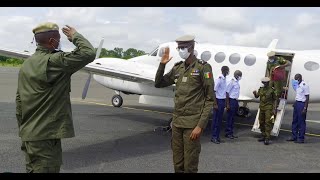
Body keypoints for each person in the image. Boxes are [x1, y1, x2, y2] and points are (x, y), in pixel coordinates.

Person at [15, 22, 96, 173]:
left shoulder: (26, 64)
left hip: (30, 134)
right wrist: (75, 36)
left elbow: (19, 103)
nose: (60, 42)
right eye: (59, 38)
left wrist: (24, 131)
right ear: (52, 41)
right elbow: (88, 53)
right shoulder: (54, 61)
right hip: (45, 137)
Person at [154, 35, 216, 173]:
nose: (180, 50)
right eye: (179, 48)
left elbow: (210, 98)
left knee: (190, 166)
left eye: (183, 47)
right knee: (178, 164)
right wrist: (162, 64)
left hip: (192, 125)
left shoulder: (203, 68)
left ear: (191, 47)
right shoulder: (178, 68)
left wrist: (200, 126)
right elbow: (158, 83)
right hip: (177, 123)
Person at [253, 77, 278, 145]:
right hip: (262, 107)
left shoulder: (272, 90)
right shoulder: (261, 89)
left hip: (268, 108)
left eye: (266, 82)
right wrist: (255, 93)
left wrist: (274, 109)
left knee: (268, 122)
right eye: (264, 82)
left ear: (268, 83)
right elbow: (257, 96)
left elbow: (275, 99)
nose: (265, 84)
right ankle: (263, 135)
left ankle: (267, 138)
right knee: (261, 121)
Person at [287, 74, 310, 143]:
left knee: (301, 122)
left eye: (296, 78)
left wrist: (305, 108)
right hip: (297, 103)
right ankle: (294, 136)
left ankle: (301, 138)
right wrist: (295, 103)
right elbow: (298, 95)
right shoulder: (298, 86)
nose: (295, 80)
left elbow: (307, 97)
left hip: (302, 104)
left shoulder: (304, 85)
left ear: (299, 78)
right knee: (295, 121)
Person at [211, 66, 229, 144]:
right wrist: (215, 103)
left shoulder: (224, 79)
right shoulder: (219, 79)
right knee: (216, 120)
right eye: (227, 70)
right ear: (224, 71)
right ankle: (214, 137)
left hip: (222, 101)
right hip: (218, 101)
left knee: (219, 120)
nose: (228, 72)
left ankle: (217, 136)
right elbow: (214, 91)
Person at [225, 70, 242, 139]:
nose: (241, 77)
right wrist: (228, 104)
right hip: (231, 101)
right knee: (230, 118)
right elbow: (227, 93)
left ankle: (231, 132)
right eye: (240, 76)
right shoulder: (231, 82)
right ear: (237, 76)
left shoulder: (236, 82)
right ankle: (228, 133)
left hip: (235, 101)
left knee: (233, 118)